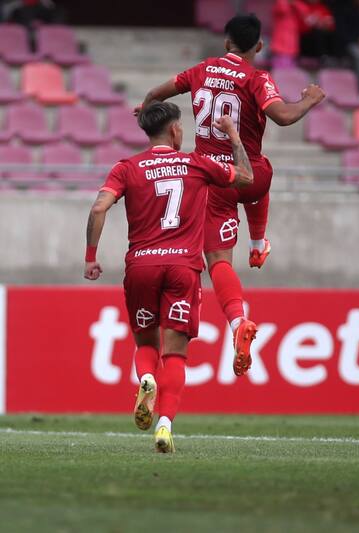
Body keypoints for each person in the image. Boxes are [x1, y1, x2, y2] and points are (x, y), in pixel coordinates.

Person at [136, 14, 325, 378]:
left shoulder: (200, 70)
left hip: (214, 179)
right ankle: (258, 242)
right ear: (259, 46)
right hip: (252, 175)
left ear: (225, 43)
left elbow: (155, 95)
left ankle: (238, 321)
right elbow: (284, 116)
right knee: (261, 175)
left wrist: (145, 114)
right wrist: (310, 100)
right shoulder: (257, 78)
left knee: (218, 261)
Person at [83, 103, 253, 452]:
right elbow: (247, 177)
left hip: (141, 267)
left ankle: (146, 379)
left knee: (147, 345)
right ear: (175, 130)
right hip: (182, 268)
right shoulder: (196, 163)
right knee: (175, 355)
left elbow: (98, 207)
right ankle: (164, 425)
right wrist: (235, 137)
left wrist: (91, 257)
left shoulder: (126, 167)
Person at [299, 0, 338, 64]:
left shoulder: (322, 7)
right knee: (317, 33)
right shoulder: (302, 6)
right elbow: (300, 27)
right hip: (306, 39)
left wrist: (324, 24)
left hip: (321, 38)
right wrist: (315, 24)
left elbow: (331, 25)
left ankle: (332, 57)